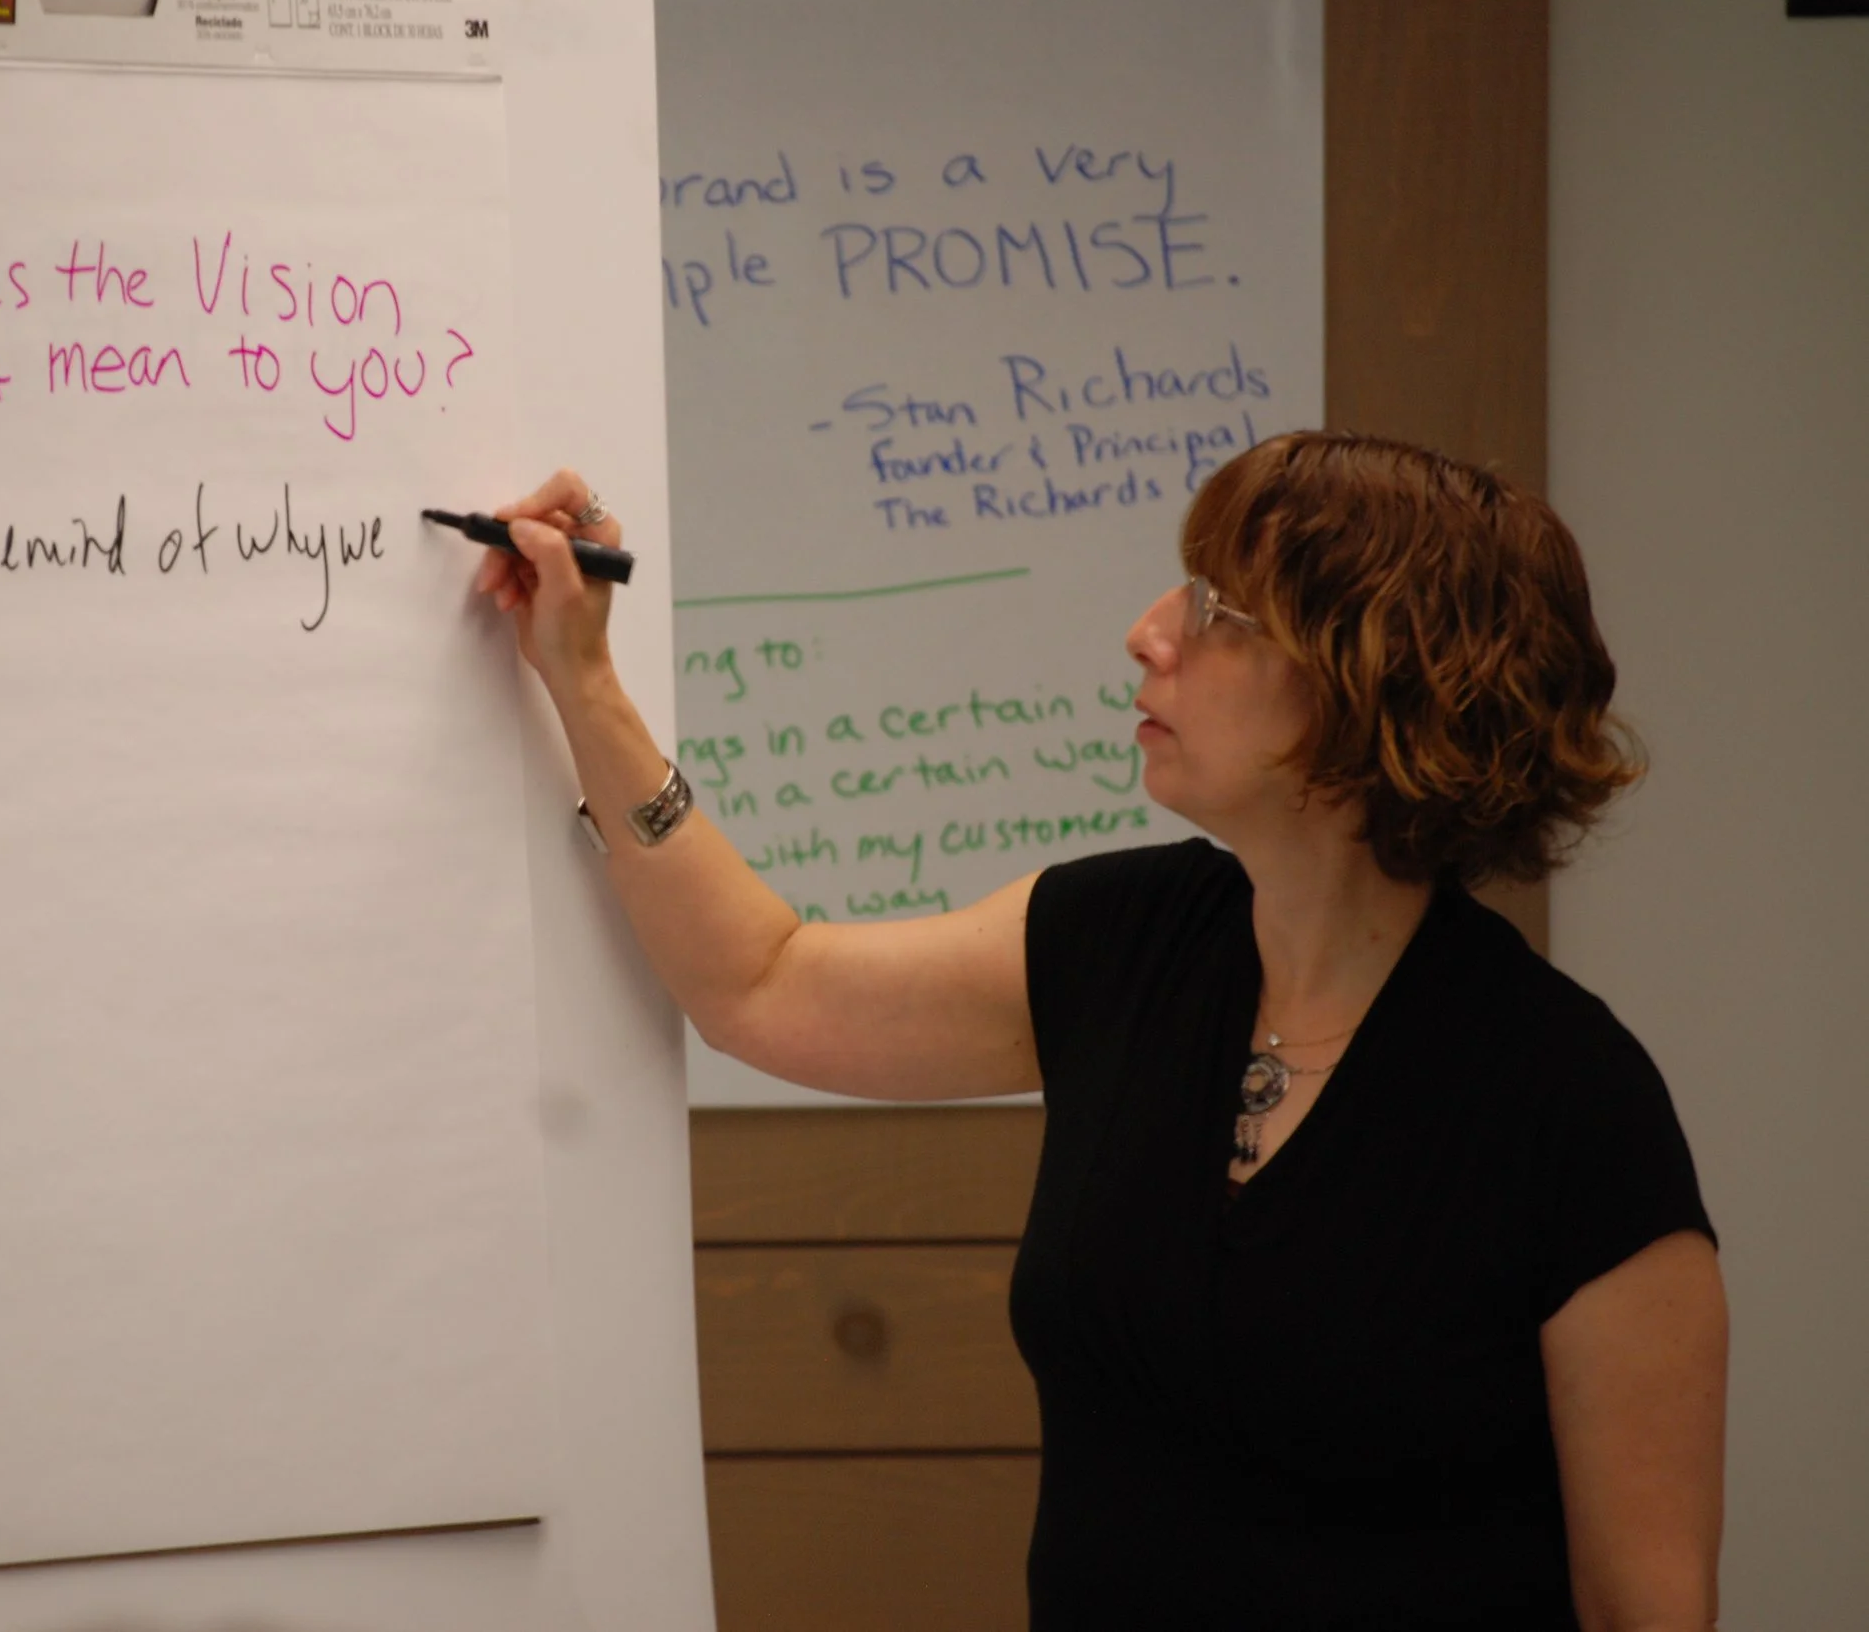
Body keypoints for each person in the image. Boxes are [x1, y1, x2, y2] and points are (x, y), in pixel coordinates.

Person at [469, 432, 1725, 1631]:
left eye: (1218, 613)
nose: (1148, 634)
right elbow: (760, 985)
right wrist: (584, 682)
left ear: (1371, 685)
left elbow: (1647, 1611)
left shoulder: (1569, 1102)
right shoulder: (1114, 942)